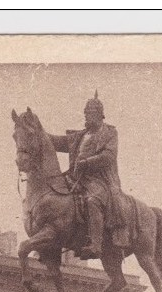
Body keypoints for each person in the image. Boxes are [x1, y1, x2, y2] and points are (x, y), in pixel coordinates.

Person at [48, 91, 122, 260]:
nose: (86, 117)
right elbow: (58, 142)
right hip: (76, 178)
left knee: (92, 201)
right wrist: (39, 133)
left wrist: (87, 162)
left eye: (89, 114)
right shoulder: (80, 135)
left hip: (99, 180)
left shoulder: (110, 133)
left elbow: (109, 156)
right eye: (85, 113)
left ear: (99, 115)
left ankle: (96, 244)